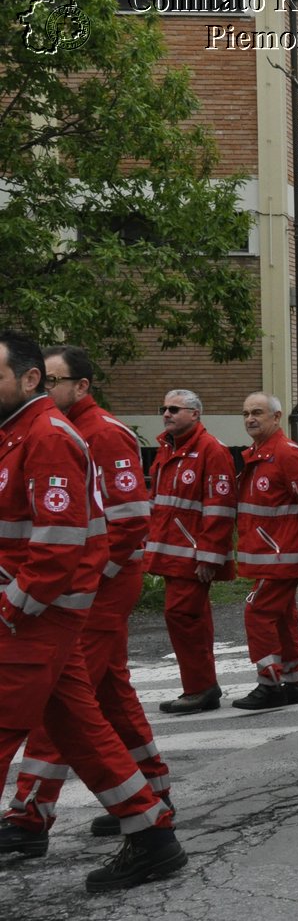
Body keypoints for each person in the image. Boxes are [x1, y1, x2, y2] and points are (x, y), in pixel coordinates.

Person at [0, 332, 185, 890]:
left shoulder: (51, 436)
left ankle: (38, 816)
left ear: (30, 379)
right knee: (79, 724)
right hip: (39, 612)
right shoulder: (18, 434)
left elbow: (60, 545)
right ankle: (151, 834)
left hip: (34, 614)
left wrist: (12, 608)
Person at [229, 392, 298, 710]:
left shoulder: (286, 454)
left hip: (281, 555)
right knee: (283, 617)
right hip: (270, 554)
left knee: (257, 612)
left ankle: (270, 684)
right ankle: (294, 682)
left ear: (277, 417)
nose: (250, 418)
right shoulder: (258, 453)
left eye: (258, 412)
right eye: (246, 413)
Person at [147, 388, 236, 714]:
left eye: (175, 409)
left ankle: (200, 689)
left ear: (195, 414)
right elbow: (159, 503)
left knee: (184, 617)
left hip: (192, 554)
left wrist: (210, 556)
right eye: (164, 408)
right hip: (173, 551)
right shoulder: (167, 449)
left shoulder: (211, 450)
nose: (167, 414)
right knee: (189, 619)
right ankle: (201, 687)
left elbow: (220, 506)